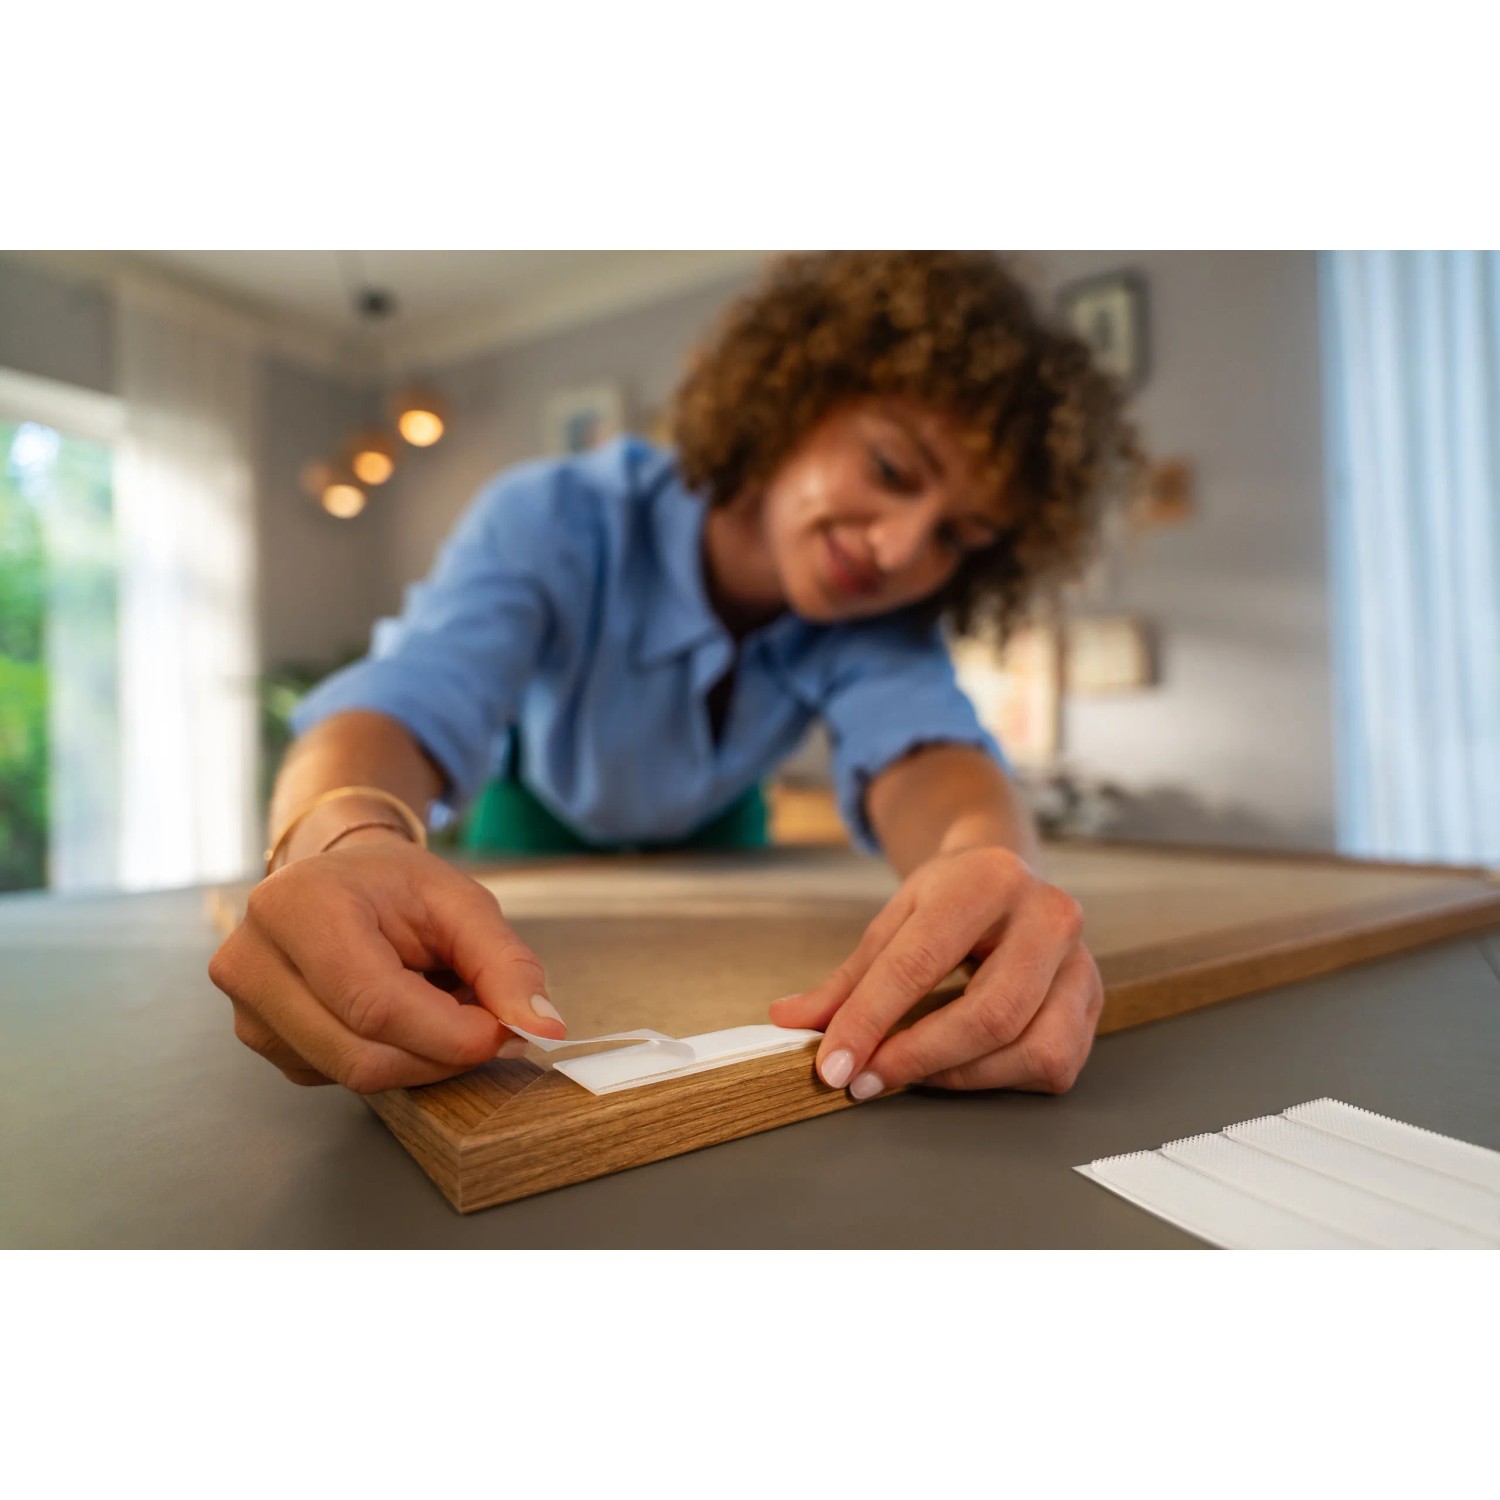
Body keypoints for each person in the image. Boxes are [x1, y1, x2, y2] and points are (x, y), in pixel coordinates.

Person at [208, 250, 1138, 1103]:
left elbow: (934, 761)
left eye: (956, 538)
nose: (899, 549)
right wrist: (340, 839)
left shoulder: (875, 618)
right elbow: (404, 701)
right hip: (534, 828)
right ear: (795, 397)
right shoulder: (554, 517)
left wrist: (992, 871)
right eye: (892, 468)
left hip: (728, 844)